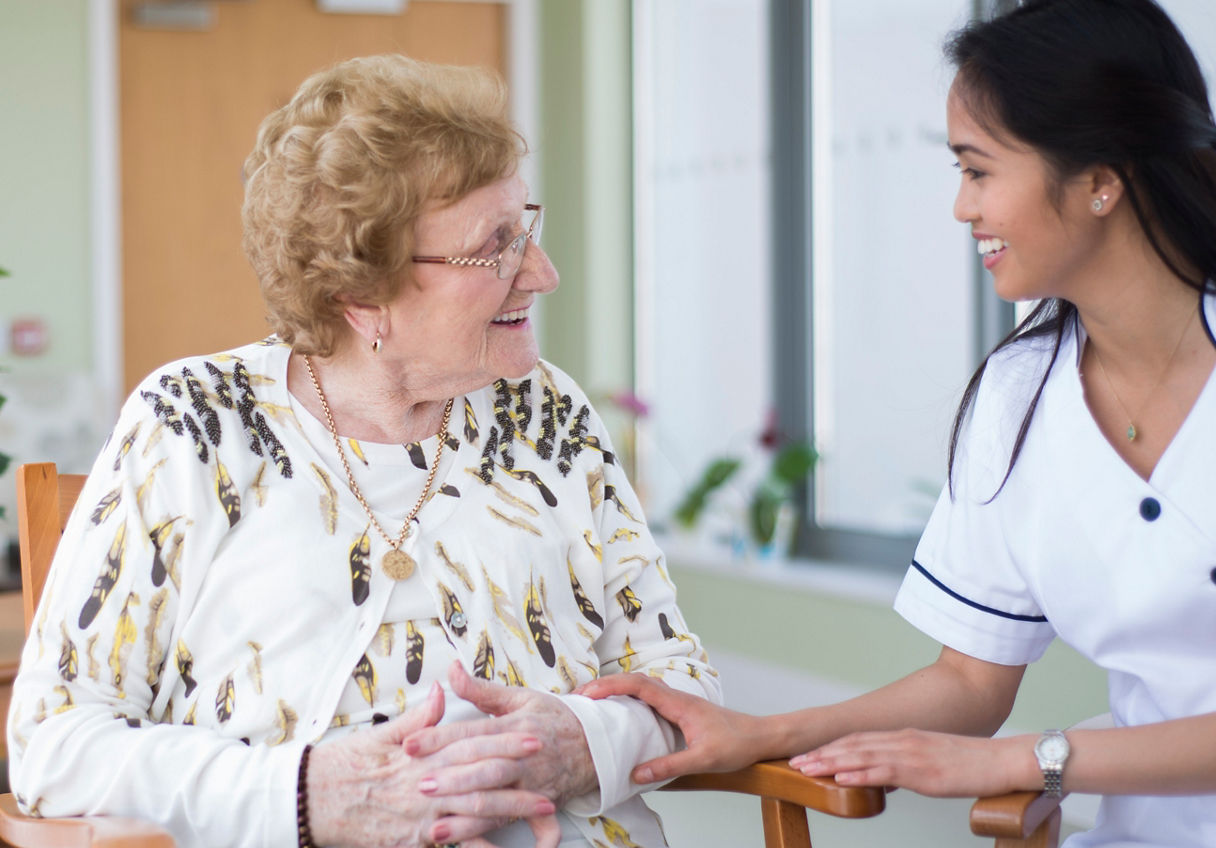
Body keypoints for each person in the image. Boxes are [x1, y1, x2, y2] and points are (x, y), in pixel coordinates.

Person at [579, 1, 1216, 845]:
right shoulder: (1018, 397)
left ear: (1101, 180)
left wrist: (1034, 761)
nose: (960, 207)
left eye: (979, 171)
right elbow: (968, 680)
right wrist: (769, 734)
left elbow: (1012, 744)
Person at [7, 55, 718, 848]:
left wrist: (583, 744)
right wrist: (305, 794)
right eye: (497, 246)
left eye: (529, 229)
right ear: (361, 292)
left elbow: (679, 682)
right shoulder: (193, 423)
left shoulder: (549, 415)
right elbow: (52, 743)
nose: (542, 274)